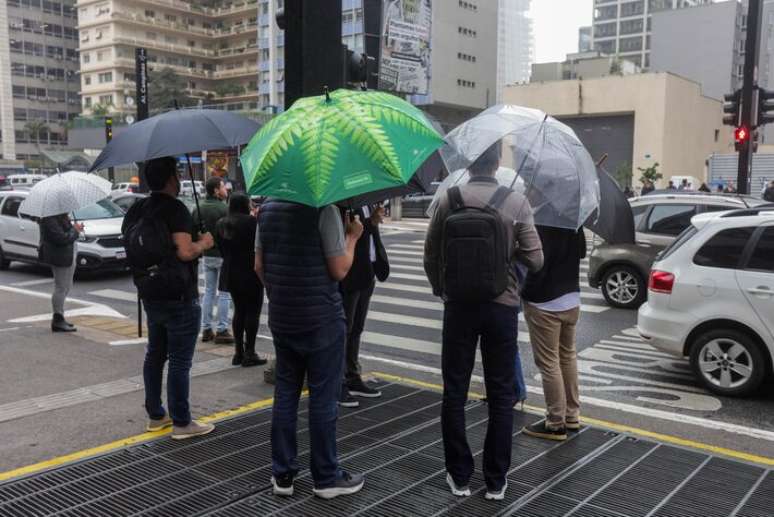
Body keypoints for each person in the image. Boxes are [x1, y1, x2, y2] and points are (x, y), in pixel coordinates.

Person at [424, 141, 544, 501]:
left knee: (454, 392)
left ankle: (459, 477)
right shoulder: (516, 201)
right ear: (496, 164)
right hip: (501, 307)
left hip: (458, 305)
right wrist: (511, 251)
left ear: (469, 164)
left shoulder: (449, 199)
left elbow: (431, 254)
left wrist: (440, 289)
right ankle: (495, 481)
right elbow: (536, 260)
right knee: (500, 393)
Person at [255, 196, 366, 499]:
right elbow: (340, 269)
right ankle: (327, 477)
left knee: (286, 393)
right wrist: (353, 236)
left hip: (283, 317)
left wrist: (281, 292)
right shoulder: (324, 209)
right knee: (323, 397)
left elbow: (259, 266)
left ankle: (283, 474)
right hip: (321, 320)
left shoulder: (266, 209)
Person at [122, 157, 215, 440]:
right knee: (179, 361)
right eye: (177, 173)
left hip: (150, 291)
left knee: (155, 355)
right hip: (178, 294)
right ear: (172, 178)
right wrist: (205, 243)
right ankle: (182, 422)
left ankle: (156, 414)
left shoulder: (137, 208)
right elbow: (185, 252)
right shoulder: (176, 209)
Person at [521, 227, 586, 442]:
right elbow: (582, 252)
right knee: (567, 356)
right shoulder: (573, 221)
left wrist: (525, 291)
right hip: (571, 297)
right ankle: (571, 416)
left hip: (545, 301)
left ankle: (555, 423)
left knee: (549, 362)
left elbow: (536, 261)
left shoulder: (542, 224)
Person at [338, 203, 390, 408]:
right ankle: (339, 382)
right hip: (350, 274)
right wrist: (370, 223)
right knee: (345, 329)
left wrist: (373, 220)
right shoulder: (347, 202)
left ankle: (352, 375)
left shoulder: (369, 202)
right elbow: (349, 234)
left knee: (357, 328)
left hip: (368, 272)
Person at [215, 193, 267, 368]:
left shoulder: (221, 223)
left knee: (239, 310)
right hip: (250, 271)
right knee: (253, 311)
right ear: (245, 204)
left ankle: (238, 352)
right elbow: (260, 244)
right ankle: (250, 352)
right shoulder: (252, 222)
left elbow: (221, 249)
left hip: (230, 270)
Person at [194, 177, 233, 345]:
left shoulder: (198, 208)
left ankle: (206, 328)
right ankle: (223, 329)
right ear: (216, 190)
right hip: (223, 255)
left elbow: (193, 231)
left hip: (206, 254)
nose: (226, 189)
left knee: (209, 291)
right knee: (224, 293)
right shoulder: (225, 209)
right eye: (224, 187)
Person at [39, 213, 84, 332]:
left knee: (66, 286)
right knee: (61, 287)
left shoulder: (60, 216)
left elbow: (67, 234)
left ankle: (60, 317)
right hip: (60, 256)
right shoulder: (49, 219)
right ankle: (57, 319)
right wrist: (75, 231)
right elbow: (61, 238)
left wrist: (75, 228)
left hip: (67, 254)